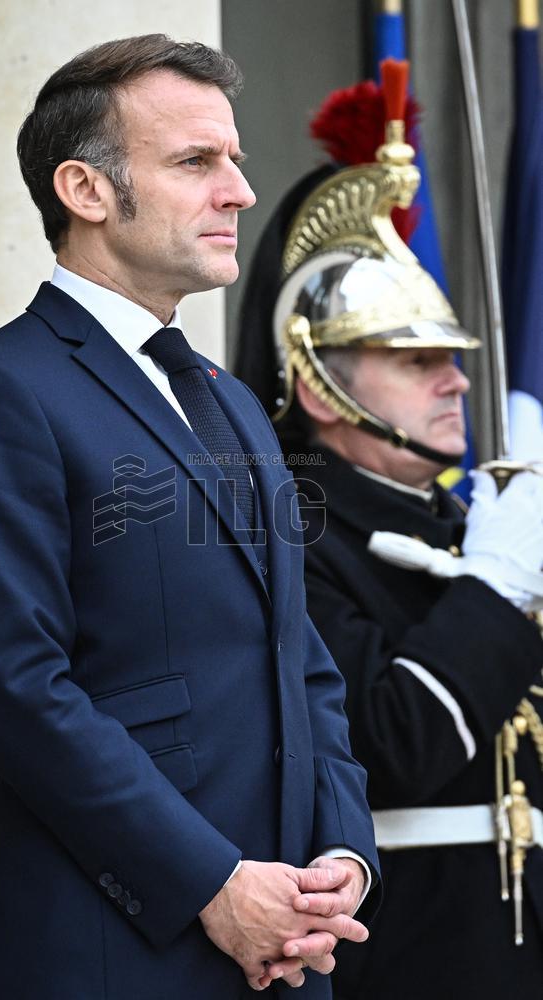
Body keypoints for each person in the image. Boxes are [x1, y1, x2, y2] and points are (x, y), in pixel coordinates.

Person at [0, 35, 380, 1000]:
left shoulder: (234, 400)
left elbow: (305, 660)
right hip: (105, 952)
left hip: (291, 947)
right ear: (85, 190)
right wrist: (211, 885)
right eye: (196, 162)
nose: (240, 191)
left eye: (235, 159)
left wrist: (342, 852)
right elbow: (18, 690)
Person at [235, 89, 543, 999]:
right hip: (400, 949)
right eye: (417, 361)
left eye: (451, 357)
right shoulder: (286, 527)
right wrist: (495, 587)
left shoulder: (464, 523)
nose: (457, 382)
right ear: (324, 388)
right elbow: (391, 740)